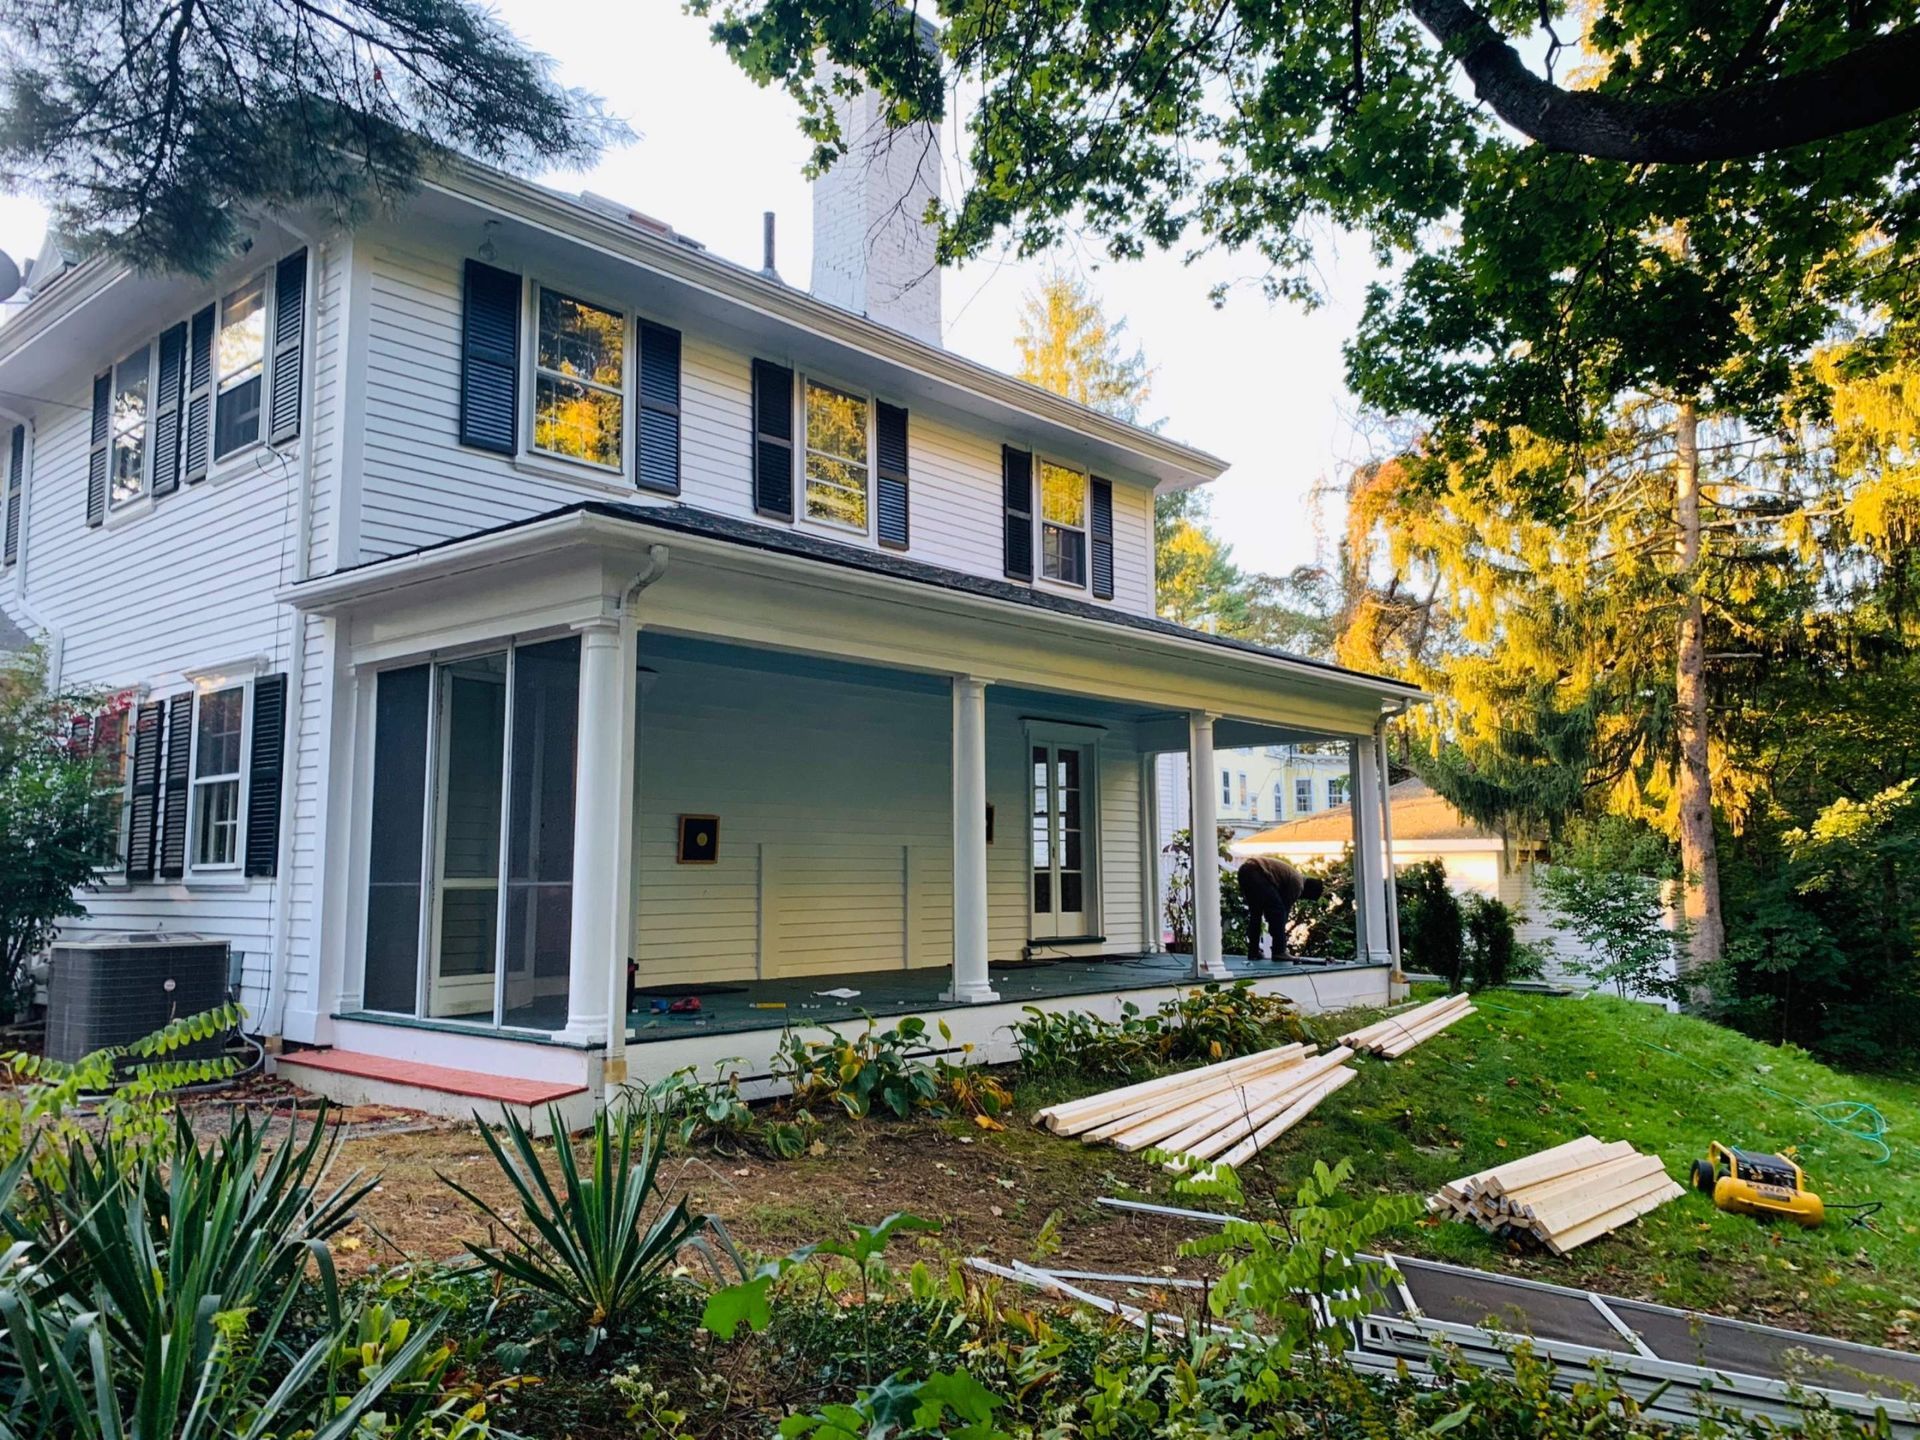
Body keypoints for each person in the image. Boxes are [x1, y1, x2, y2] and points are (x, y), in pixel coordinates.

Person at [1236, 855, 1325, 962]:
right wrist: (1277, 933)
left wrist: (1273, 925)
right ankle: (1279, 951)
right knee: (1278, 912)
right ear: (1308, 892)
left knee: (1256, 914)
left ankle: (1253, 951)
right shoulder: (1298, 884)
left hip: (1245, 871)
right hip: (1256, 872)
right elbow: (1282, 912)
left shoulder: (1293, 877)